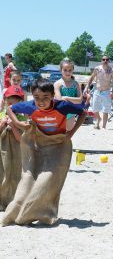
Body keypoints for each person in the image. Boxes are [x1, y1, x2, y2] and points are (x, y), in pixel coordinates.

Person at [1, 79, 86, 226]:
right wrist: (18, 123)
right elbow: (10, 109)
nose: (40, 101)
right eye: (37, 97)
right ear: (32, 96)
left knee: (46, 180)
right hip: (38, 146)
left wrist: (71, 133)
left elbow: (83, 112)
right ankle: (15, 213)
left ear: (53, 96)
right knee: (28, 180)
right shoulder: (30, 106)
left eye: (45, 97)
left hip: (58, 146)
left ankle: (36, 214)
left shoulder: (62, 106)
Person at [0, 85, 26, 210]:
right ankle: (1, 201)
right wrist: (2, 124)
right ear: (4, 100)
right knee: (2, 174)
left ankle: (13, 201)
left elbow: (21, 139)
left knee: (16, 175)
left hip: (17, 153)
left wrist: (14, 125)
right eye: (9, 102)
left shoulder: (22, 119)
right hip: (2, 152)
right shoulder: (0, 115)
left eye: (15, 103)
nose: (11, 106)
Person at [86, 55, 113, 129]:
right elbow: (92, 77)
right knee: (94, 107)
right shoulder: (97, 69)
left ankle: (104, 126)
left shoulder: (111, 70)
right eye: (103, 59)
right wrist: (88, 86)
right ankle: (98, 118)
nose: (105, 61)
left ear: (109, 61)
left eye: (107, 59)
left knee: (106, 109)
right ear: (101, 60)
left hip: (106, 91)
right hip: (97, 90)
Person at [54, 59, 83, 131]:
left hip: (71, 112)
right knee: (59, 132)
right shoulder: (57, 84)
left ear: (73, 70)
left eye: (70, 70)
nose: (68, 72)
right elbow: (59, 100)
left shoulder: (76, 84)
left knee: (68, 131)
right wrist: (73, 100)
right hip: (60, 112)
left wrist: (66, 97)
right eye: (65, 70)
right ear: (61, 70)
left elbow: (80, 100)